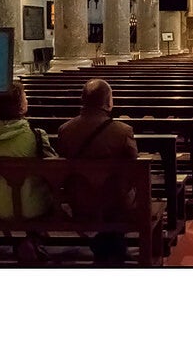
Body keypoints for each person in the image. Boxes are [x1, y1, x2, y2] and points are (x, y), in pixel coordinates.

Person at [57, 79, 139, 264]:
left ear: (83, 101)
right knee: (121, 192)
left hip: (79, 201)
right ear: (108, 102)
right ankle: (113, 246)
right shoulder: (123, 131)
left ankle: (104, 245)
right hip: (116, 202)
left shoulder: (65, 130)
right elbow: (134, 167)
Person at [0, 80, 56, 263]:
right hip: (33, 207)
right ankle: (32, 240)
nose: (27, 99)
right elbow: (54, 170)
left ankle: (27, 242)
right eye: (25, 96)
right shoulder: (35, 135)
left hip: (0, 207)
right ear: (20, 106)